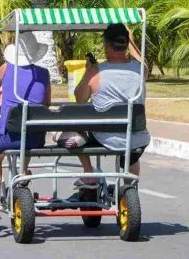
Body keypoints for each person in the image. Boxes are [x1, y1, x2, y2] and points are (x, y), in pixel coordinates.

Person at [60, 23, 150, 187]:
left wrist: (88, 71)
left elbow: (79, 98)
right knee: (131, 155)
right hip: (136, 136)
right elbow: (143, 61)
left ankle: (88, 171)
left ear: (106, 45)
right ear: (126, 44)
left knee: (73, 128)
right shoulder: (140, 70)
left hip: (105, 137)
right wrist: (130, 40)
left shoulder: (96, 71)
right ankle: (129, 187)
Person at [0, 32, 50, 223]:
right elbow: (46, 102)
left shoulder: (5, 68)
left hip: (8, 135)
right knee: (28, 133)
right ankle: (22, 172)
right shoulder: (43, 73)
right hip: (35, 136)